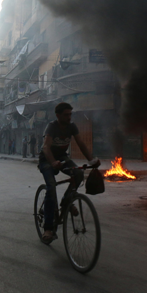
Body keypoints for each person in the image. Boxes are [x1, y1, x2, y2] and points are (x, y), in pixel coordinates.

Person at [39, 102, 99, 243]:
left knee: (78, 174)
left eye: (70, 114)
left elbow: (81, 143)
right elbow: (46, 147)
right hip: (46, 160)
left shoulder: (72, 127)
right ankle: (48, 228)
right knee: (51, 188)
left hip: (62, 158)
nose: (69, 117)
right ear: (58, 115)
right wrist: (53, 162)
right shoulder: (52, 127)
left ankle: (66, 201)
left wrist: (91, 160)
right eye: (66, 115)